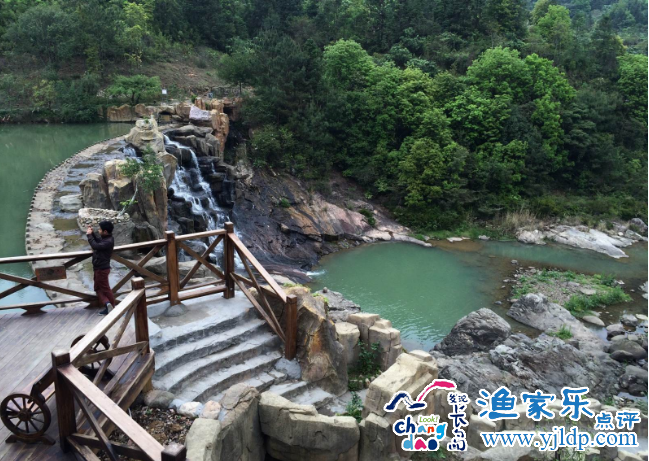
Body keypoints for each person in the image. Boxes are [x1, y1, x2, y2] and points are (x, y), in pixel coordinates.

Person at [87, 221, 116, 315]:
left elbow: (96, 246)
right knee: (98, 288)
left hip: (102, 269)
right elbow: (98, 242)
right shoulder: (107, 239)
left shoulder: (108, 241)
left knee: (104, 288)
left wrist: (89, 236)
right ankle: (108, 305)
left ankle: (111, 307)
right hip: (99, 268)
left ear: (105, 231)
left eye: (100, 229)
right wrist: (93, 234)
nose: (98, 230)